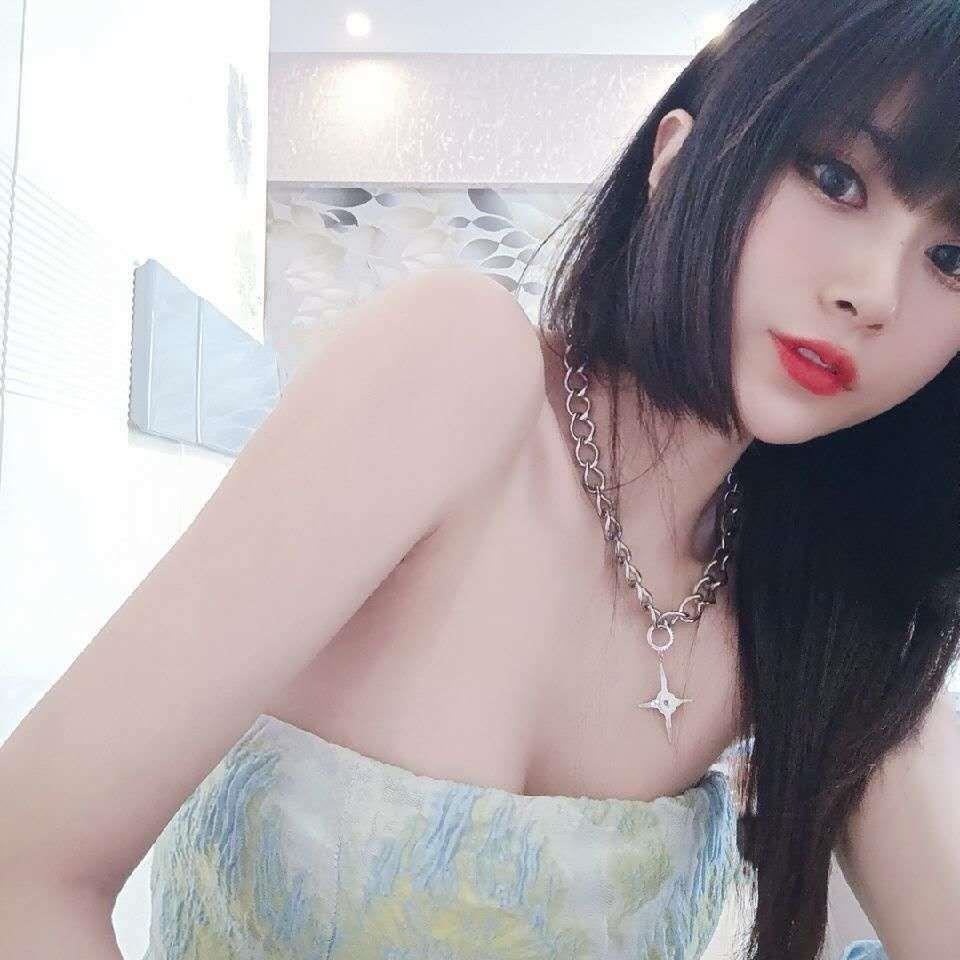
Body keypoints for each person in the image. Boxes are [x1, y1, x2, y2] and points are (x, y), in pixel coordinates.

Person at [2, 1, 960, 958]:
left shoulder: (821, 608)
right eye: (836, 179)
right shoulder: (460, 366)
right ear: (676, 159)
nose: (872, 293)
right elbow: (26, 869)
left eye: (951, 257)